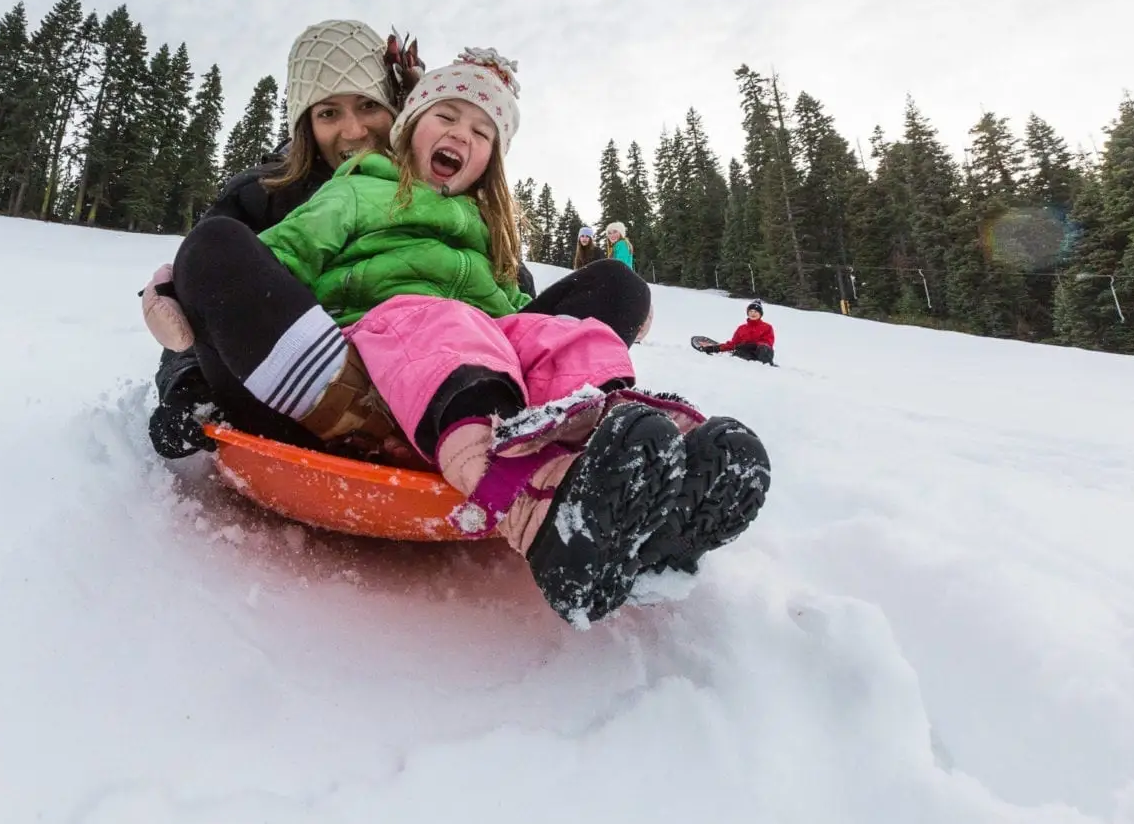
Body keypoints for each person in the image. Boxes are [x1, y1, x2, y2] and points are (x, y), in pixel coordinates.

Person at [160, 49, 770, 626]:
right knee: (220, 246)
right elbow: (280, 255)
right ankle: (527, 500)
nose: (462, 135)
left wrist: (566, 330)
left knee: (564, 327)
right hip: (361, 365)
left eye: (482, 133)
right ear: (408, 130)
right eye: (446, 116)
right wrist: (189, 293)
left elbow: (515, 316)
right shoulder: (356, 189)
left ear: (491, 162)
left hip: (468, 361)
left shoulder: (484, 230)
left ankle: (630, 470)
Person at [146, 23, 651, 459]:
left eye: (368, 105)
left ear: (400, 112)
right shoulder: (267, 195)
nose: (353, 128)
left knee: (613, 285)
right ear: (304, 124)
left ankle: (539, 422)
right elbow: (214, 291)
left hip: (459, 376)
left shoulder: (465, 207)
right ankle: (368, 417)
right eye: (328, 114)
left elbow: (508, 295)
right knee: (217, 245)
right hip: (315, 381)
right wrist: (187, 382)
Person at [702, 299, 776, 364]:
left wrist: (754, 345)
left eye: (756, 312)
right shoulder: (741, 328)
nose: (753, 314)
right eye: (751, 311)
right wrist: (716, 348)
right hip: (747, 355)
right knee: (739, 352)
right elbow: (733, 344)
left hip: (761, 353)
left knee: (764, 348)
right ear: (748, 313)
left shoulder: (767, 327)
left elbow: (768, 342)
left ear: (760, 314)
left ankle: (768, 367)